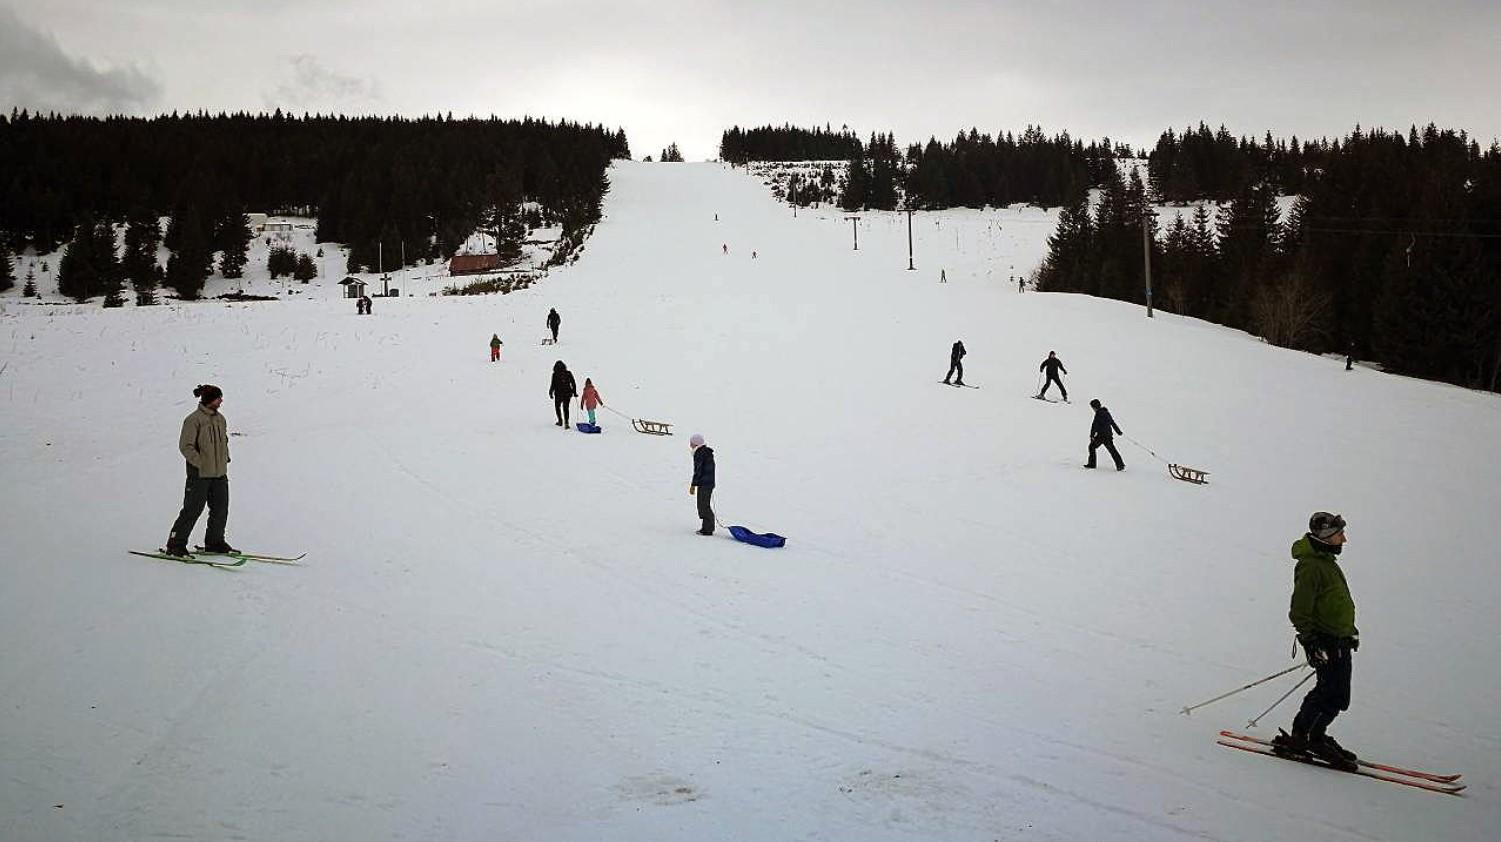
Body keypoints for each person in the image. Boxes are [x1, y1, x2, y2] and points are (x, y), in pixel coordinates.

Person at [1272, 513, 1360, 771]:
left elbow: (1334, 602)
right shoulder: (1312, 566)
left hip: (1338, 639)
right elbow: (1300, 610)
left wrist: (1349, 631)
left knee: (1336, 693)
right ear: (1324, 536)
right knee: (1331, 692)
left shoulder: (1326, 561)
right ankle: (1308, 737)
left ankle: (1312, 734)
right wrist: (1311, 642)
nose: (1343, 538)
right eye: (1338, 533)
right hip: (1326, 640)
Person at [164, 385, 235, 556]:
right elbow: (186, 446)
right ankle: (175, 543)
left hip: (219, 474)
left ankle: (215, 542)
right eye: (219, 398)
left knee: (220, 508)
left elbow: (223, 441)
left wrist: (226, 458)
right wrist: (201, 463)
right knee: (192, 509)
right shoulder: (193, 420)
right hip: (200, 475)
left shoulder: (221, 419)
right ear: (210, 400)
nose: (221, 401)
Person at [1084, 398, 1124, 470]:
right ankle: (1120, 465)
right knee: (1112, 450)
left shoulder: (1098, 414)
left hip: (1101, 436)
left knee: (1091, 447)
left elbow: (1094, 426)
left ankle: (1092, 464)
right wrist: (1118, 432)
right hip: (1108, 435)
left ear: (1095, 407)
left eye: (1092, 408)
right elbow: (1112, 422)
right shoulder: (1106, 413)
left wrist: (1092, 435)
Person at [689, 433, 715, 536]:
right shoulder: (706, 452)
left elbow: (698, 471)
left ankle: (707, 529)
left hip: (705, 484)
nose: (690, 444)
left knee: (703, 506)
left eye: (691, 442)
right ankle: (708, 527)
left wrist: (693, 485)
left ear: (695, 443)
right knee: (704, 505)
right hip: (708, 483)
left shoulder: (699, 453)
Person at [548, 360, 577, 428]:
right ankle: (566, 423)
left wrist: (550, 392)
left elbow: (553, 384)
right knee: (566, 408)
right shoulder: (568, 373)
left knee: (557, 407)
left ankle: (560, 421)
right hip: (567, 393)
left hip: (558, 394)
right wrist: (574, 392)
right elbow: (573, 383)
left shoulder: (555, 374)